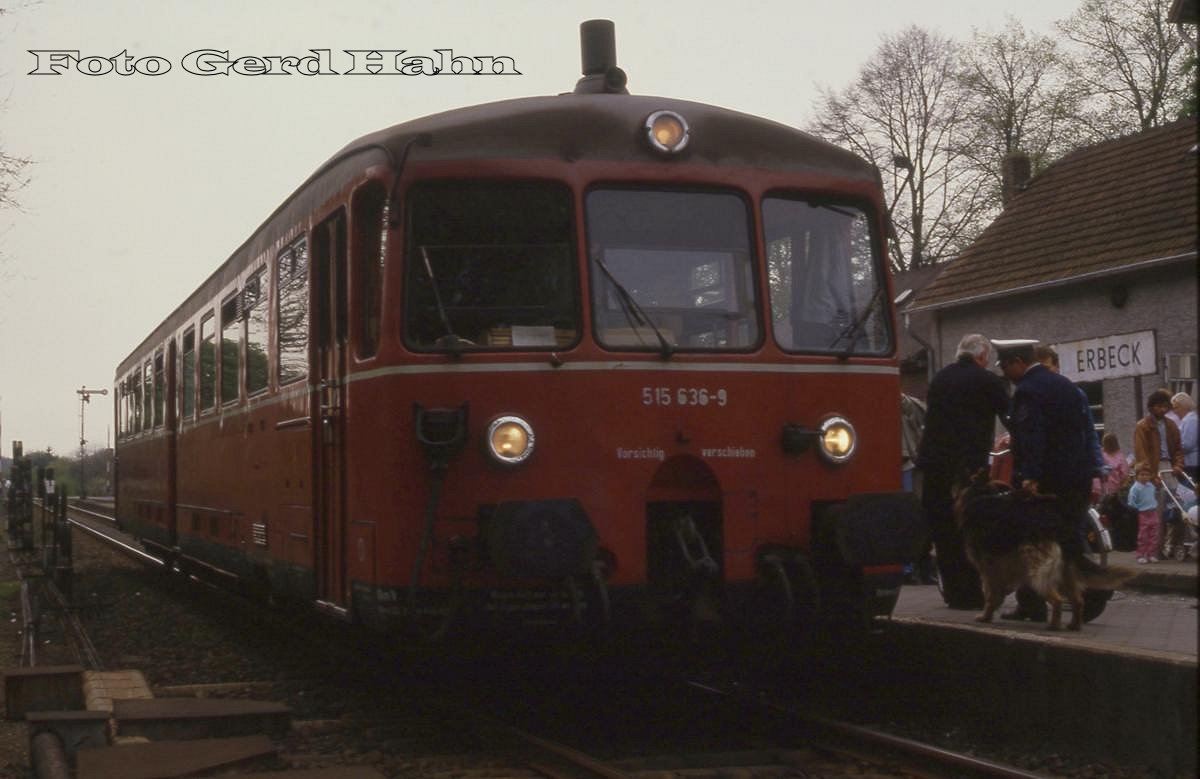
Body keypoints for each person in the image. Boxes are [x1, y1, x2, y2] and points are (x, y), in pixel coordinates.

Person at [996, 339, 1098, 622]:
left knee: (1034, 541)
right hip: (1077, 478)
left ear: (1018, 362)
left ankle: (1033, 605)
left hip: (1048, 482)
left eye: (1005, 367)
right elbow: (1083, 431)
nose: (1005, 373)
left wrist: (1030, 476)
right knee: (1070, 540)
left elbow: (1033, 435)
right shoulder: (1066, 386)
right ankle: (1080, 603)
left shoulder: (1028, 390)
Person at [916, 333, 1009, 608]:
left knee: (943, 530)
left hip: (935, 466)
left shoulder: (940, 379)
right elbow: (1009, 415)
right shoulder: (988, 381)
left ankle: (955, 593)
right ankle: (973, 593)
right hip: (968, 468)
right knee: (971, 527)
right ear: (982, 356)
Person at [1133, 389, 1184, 559]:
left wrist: (1178, 465)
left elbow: (1178, 448)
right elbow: (1141, 454)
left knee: (1176, 509)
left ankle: (1171, 546)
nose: (1163, 409)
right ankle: (1154, 550)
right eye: (1159, 406)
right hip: (1154, 468)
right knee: (1156, 512)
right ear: (1151, 407)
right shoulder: (1143, 426)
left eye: (1165, 406)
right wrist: (1150, 475)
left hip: (1169, 467)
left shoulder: (1171, 425)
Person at [1127, 463, 1160, 564]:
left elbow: (1153, 496)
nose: (1144, 477)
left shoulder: (1151, 486)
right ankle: (1140, 555)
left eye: (1147, 475)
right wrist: (1137, 511)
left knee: (1154, 535)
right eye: (1142, 474)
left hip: (1153, 513)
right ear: (1137, 476)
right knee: (1143, 536)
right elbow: (1131, 502)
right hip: (1142, 514)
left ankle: (1151, 554)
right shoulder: (1135, 488)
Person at [1172, 392, 1197, 482]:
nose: (1175, 412)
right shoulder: (1188, 419)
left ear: (1185, 406)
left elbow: (1187, 444)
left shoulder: (1191, 420)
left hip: (1191, 463)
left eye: (1177, 408)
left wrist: (1173, 447)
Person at [1098, 433, 1129, 498]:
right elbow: (1124, 474)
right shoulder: (1120, 457)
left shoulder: (1099, 453)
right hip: (1114, 486)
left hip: (1101, 486)